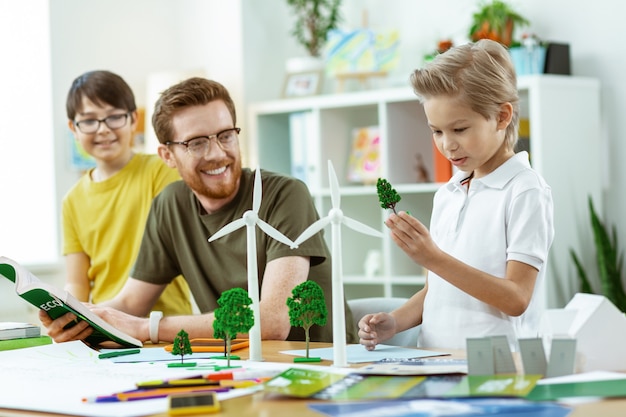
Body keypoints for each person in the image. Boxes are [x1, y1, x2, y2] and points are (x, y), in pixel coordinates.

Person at [42, 76, 358, 345]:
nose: (217, 153)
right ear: (167, 155)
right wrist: (81, 319)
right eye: (196, 143)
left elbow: (273, 321)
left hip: (318, 367)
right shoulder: (171, 205)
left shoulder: (286, 195)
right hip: (237, 367)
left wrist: (146, 329)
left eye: (225, 136)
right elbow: (130, 303)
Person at [358, 39, 554, 351]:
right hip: (434, 363)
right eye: (436, 131)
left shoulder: (525, 190)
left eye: (459, 129)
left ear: (502, 117)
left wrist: (432, 257)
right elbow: (438, 288)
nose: (447, 145)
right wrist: (395, 322)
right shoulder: (447, 193)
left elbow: (517, 298)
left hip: (497, 368)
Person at [62, 70, 192, 317]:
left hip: (164, 327)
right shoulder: (72, 200)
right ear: (73, 128)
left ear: (134, 120)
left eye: (114, 117)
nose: (102, 130)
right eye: (89, 121)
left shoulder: (163, 170)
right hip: (105, 328)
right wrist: (66, 311)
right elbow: (77, 282)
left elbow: (169, 255)